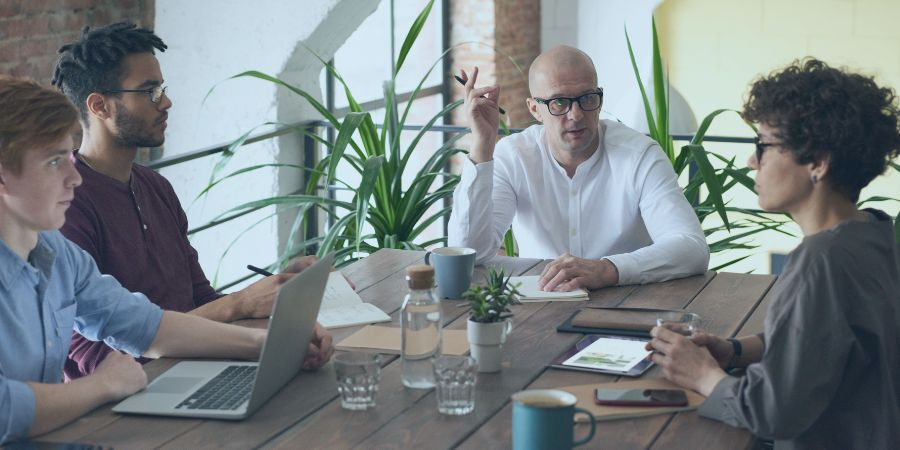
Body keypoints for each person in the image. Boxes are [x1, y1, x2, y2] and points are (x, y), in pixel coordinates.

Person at [0, 76, 333, 444]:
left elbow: (147, 327)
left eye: (69, 156)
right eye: (53, 162)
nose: (74, 177)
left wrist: (272, 345)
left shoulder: (56, 253)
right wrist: (103, 385)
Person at [50, 22, 328, 379]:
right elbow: (94, 359)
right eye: (149, 92)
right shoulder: (65, 205)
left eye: (162, 88)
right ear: (100, 106)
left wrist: (276, 300)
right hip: (127, 399)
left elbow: (201, 299)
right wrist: (240, 306)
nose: (166, 102)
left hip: (198, 367)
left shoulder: (155, 186)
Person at [648, 59, 900, 449]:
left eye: (763, 146)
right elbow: (826, 342)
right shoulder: (873, 231)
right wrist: (732, 351)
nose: (752, 160)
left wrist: (702, 375)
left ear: (817, 162)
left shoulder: (821, 260)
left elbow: (773, 413)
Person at [448, 45, 708, 292]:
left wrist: (607, 270)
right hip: (540, 306)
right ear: (535, 109)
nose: (576, 114)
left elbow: (691, 248)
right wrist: (482, 146)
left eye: (586, 98)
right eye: (559, 102)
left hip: (625, 303)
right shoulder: (514, 156)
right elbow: (468, 253)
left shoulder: (639, 156)